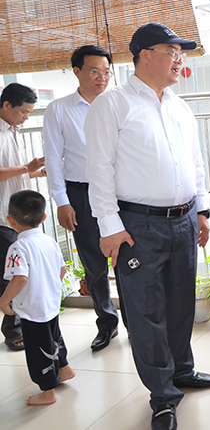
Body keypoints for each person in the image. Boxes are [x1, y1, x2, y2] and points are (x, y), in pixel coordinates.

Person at [84, 23, 210, 430]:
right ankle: (162, 394)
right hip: (136, 225)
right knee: (146, 312)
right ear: (145, 54)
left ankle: (181, 370)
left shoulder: (179, 106)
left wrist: (202, 210)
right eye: (172, 50)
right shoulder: (112, 105)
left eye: (181, 52)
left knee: (180, 305)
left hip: (182, 220)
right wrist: (109, 226)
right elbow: (99, 170)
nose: (179, 58)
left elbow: (194, 162)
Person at [43, 44, 122, 352]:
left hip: (119, 190)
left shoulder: (118, 103)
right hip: (80, 193)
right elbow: (53, 158)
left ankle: (135, 320)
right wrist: (62, 200)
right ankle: (107, 323)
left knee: (126, 258)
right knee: (93, 262)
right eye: (94, 71)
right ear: (76, 72)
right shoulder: (59, 109)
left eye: (106, 72)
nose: (101, 78)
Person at [0, 190, 75, 405]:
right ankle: (65, 368)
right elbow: (61, 269)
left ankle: (47, 392)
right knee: (54, 337)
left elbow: (19, 279)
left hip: (32, 309)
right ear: (43, 218)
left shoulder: (17, 247)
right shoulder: (49, 241)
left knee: (38, 349)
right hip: (50, 302)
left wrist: (4, 301)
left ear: (10, 221)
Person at [0, 83, 44, 352]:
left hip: (17, 215)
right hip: (3, 217)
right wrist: (25, 168)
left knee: (18, 271)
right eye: (24, 112)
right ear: (6, 105)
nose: (26, 117)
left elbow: (11, 171)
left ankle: (20, 325)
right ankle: (13, 331)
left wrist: (32, 173)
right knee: (12, 275)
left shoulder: (12, 130)